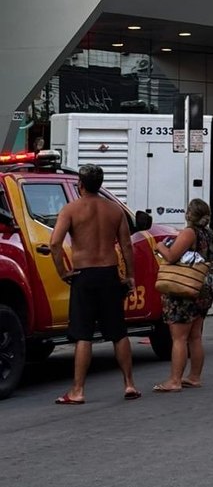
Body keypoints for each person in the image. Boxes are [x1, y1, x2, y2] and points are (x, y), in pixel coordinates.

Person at [49, 164, 141, 404]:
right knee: (118, 332)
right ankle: (129, 384)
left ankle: (78, 390)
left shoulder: (71, 210)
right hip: (109, 274)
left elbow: (55, 244)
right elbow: (126, 245)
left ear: (80, 184)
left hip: (84, 275)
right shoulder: (115, 210)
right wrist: (130, 275)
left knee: (84, 335)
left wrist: (63, 272)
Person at [152, 198, 213, 392]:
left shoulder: (190, 233)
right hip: (203, 286)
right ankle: (194, 377)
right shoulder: (209, 234)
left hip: (184, 288)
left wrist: (160, 246)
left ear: (189, 214)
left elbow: (171, 256)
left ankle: (175, 380)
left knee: (179, 338)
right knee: (195, 336)